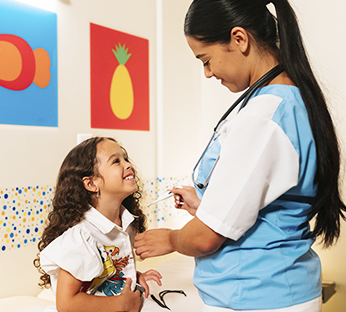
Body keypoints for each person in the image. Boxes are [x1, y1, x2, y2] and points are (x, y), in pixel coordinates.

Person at [134, 0, 346, 311]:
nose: (207, 73)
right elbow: (268, 203)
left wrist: (171, 239)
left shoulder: (264, 117)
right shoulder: (288, 99)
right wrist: (208, 207)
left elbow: (206, 238)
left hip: (258, 295)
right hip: (274, 289)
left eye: (206, 59)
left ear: (239, 39)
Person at [33, 137, 163, 312]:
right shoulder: (82, 236)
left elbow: (103, 274)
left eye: (125, 158)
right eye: (116, 161)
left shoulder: (125, 223)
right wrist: (121, 304)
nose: (128, 164)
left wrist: (133, 276)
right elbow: (66, 304)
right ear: (91, 183)